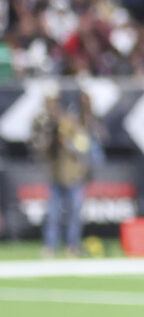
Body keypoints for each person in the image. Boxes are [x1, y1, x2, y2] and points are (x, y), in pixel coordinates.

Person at [31, 85, 97, 258]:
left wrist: (66, 140)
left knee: (74, 213)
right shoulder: (44, 123)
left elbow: (82, 147)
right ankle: (50, 246)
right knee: (53, 214)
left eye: (54, 103)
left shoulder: (70, 123)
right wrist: (51, 139)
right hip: (56, 176)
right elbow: (39, 148)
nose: (52, 107)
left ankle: (72, 246)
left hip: (73, 176)